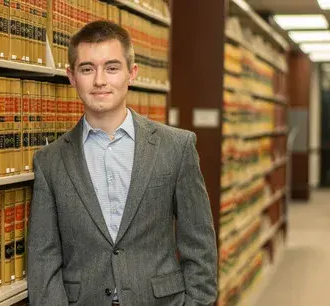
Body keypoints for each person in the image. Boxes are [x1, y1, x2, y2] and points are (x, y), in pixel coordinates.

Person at [27, 20, 217, 306]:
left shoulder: (176, 147)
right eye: (87, 69)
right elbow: (44, 258)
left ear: (132, 73)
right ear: (71, 76)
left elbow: (199, 245)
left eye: (112, 68)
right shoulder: (50, 161)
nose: (100, 80)